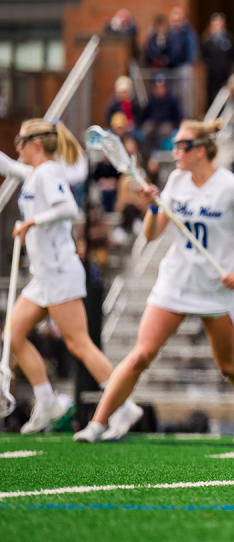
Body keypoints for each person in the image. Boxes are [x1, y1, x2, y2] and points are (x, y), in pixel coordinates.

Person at [76, 119, 234, 443]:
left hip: (216, 287)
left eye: (181, 146)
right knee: (142, 354)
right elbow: (151, 233)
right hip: (176, 282)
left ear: (200, 150)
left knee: (228, 366)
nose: (175, 151)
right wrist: (154, 207)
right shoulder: (176, 181)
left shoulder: (232, 186)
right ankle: (98, 424)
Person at [0, 121, 141, 435]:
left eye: (19, 140)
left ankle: (123, 405)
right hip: (44, 276)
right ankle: (47, 401)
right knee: (14, 334)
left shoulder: (48, 173)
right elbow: (8, 166)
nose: (16, 146)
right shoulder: (35, 174)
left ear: (35, 144)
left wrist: (31, 222)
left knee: (79, 344)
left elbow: (66, 208)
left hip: (61, 272)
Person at [201, 13, 234, 106]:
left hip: (225, 73)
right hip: (212, 74)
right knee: (212, 95)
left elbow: (233, 55)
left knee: (225, 95)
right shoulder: (207, 39)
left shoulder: (229, 38)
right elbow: (203, 55)